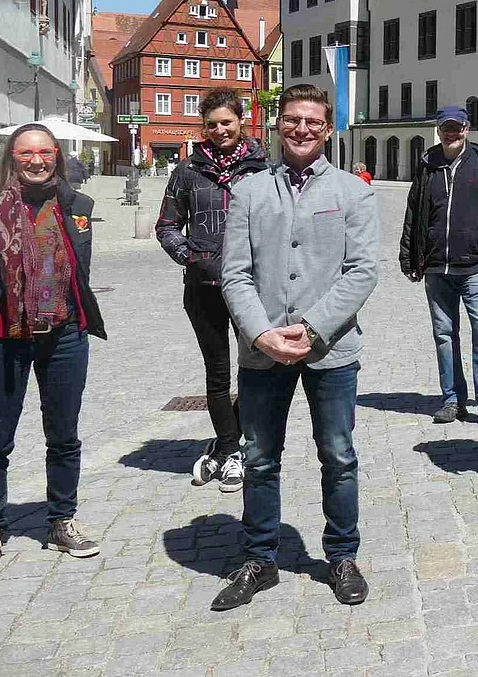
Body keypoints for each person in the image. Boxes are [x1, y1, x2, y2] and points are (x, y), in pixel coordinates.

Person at [215, 84, 380, 611]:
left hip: (330, 350)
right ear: (277, 125)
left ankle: (341, 555)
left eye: (312, 120)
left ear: (327, 128)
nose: (302, 129)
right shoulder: (248, 191)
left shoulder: (354, 192)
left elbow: (362, 271)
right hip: (262, 351)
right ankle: (260, 558)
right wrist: (261, 331)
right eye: (292, 119)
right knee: (260, 458)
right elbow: (234, 273)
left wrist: (312, 329)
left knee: (338, 455)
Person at [0, 125, 108, 578]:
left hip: (64, 335)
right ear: (11, 158)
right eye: (26, 153)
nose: (36, 160)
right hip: (3, 339)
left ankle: (61, 520)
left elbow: (79, 269)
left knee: (64, 436)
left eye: (44, 152)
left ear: (55, 155)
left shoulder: (77, 206)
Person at [156, 89, 268, 492]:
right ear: (203, 127)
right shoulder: (188, 170)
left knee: (258, 367)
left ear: (242, 121)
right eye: (212, 124)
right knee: (218, 373)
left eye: (227, 122)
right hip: (202, 286)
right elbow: (166, 226)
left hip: (252, 287)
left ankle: (231, 441)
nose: (220, 130)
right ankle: (229, 448)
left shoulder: (263, 168)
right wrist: (192, 258)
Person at [400, 105, 478, 428]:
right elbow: (414, 211)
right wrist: (408, 254)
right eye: (446, 127)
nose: (451, 132)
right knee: (444, 335)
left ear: (467, 129)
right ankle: (452, 399)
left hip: (475, 268)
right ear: (438, 129)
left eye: (457, 127)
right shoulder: (427, 164)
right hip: (436, 269)